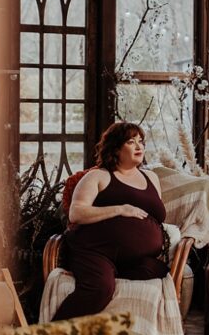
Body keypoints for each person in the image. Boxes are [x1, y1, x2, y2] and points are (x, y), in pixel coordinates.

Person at [50, 122, 169, 321]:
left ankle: (116, 268)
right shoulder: (98, 176)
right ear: (115, 148)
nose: (139, 147)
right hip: (94, 250)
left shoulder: (151, 178)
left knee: (157, 270)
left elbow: (157, 217)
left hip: (130, 258)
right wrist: (121, 209)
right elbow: (76, 213)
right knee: (100, 289)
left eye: (141, 142)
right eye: (131, 142)